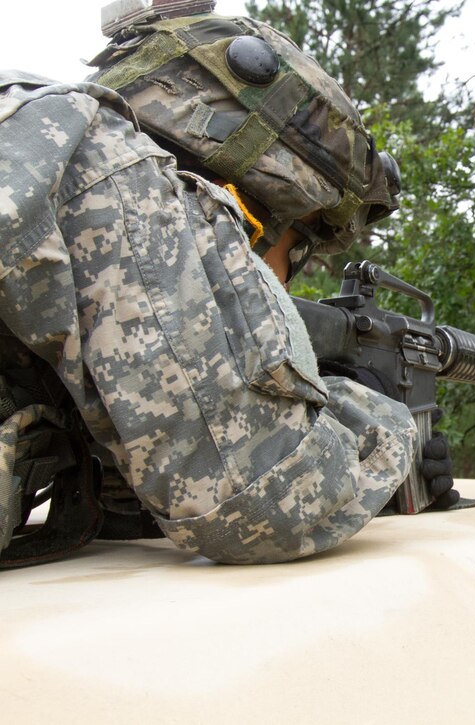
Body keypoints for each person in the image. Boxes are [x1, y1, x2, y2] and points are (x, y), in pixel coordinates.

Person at [0, 9, 451, 567]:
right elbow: (264, 506)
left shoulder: (42, 134)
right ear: (245, 208)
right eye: (302, 247)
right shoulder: (109, 163)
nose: (290, 280)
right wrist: (380, 425)